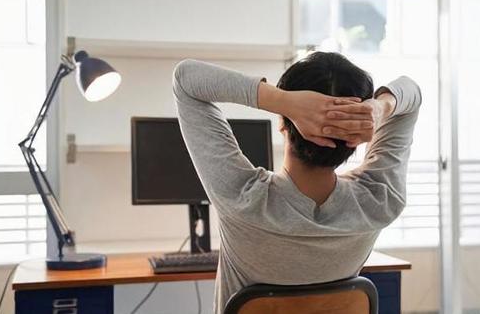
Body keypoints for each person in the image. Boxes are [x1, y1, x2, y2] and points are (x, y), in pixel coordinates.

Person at [172, 51, 421, 314]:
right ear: (359, 135)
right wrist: (380, 107)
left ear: (282, 122)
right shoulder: (379, 201)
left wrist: (282, 101)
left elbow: (186, 80)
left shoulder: (242, 198)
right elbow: (412, 95)